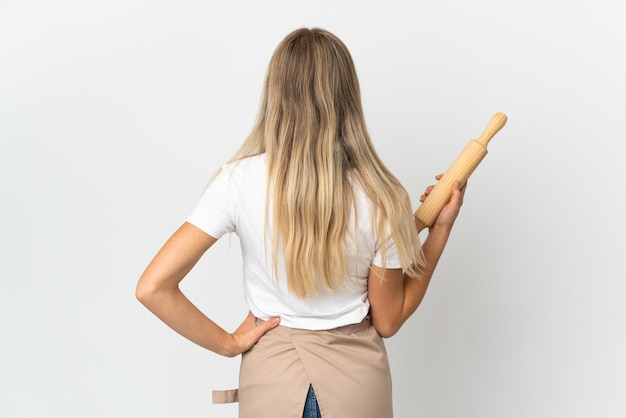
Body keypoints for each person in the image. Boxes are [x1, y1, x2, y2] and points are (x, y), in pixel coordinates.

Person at [136, 27, 465, 418]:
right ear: (347, 98)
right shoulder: (382, 195)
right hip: (356, 385)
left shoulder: (237, 182)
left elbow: (153, 287)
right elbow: (388, 319)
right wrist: (439, 231)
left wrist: (228, 343)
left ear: (276, 95)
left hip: (271, 380)